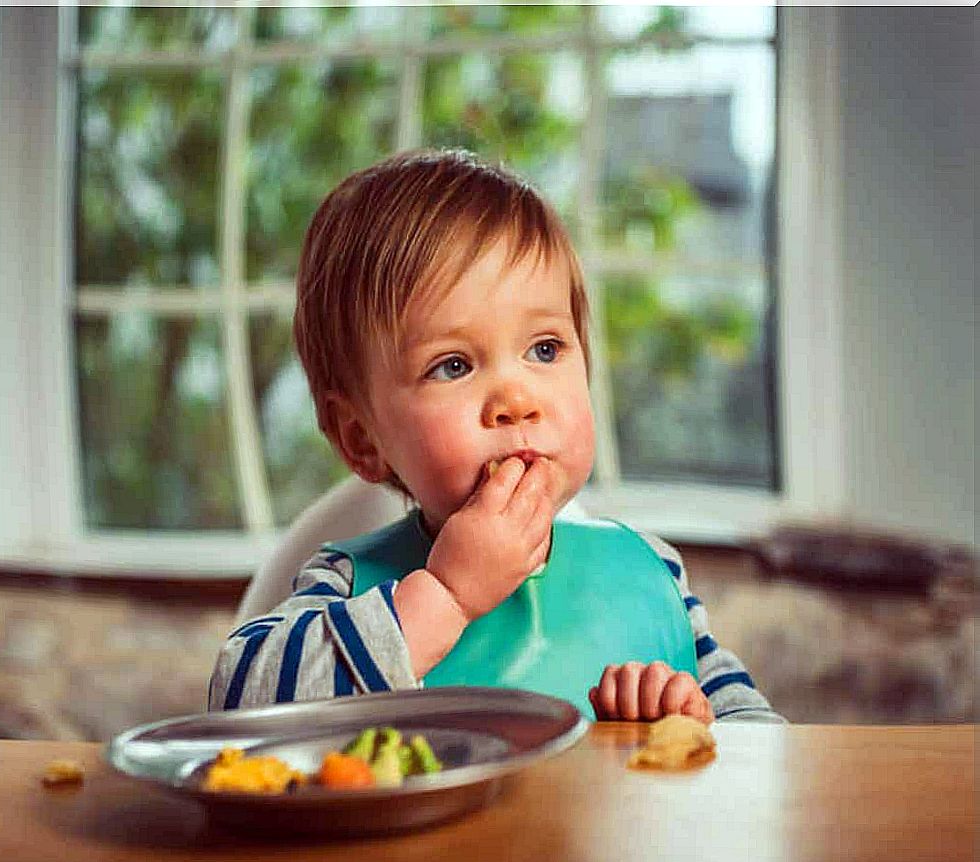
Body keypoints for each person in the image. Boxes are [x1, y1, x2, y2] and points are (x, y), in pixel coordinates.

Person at [209, 149, 783, 724]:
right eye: (454, 365)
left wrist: (688, 718)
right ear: (362, 438)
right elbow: (237, 705)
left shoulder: (651, 572)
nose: (516, 401)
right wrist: (445, 595)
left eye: (545, 349)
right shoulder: (346, 585)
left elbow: (760, 748)